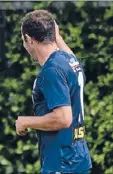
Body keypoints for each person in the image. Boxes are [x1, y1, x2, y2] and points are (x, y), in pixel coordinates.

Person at [15, 10, 92, 174]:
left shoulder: (51, 70)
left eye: (24, 41)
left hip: (61, 163)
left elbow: (63, 118)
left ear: (30, 39)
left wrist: (25, 121)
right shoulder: (70, 61)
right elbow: (73, 59)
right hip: (78, 159)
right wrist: (57, 37)